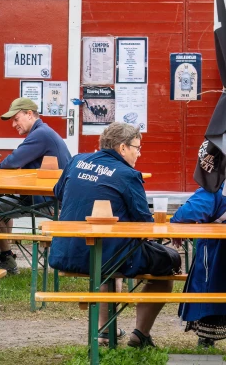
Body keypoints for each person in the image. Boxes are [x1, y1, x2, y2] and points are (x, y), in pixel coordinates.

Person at [49, 122, 180, 347]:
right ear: (122, 148)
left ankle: (105, 331)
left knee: (110, 258)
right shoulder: (127, 174)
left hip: (66, 252)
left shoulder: (76, 161)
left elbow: (58, 192)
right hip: (103, 256)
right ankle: (140, 334)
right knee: (169, 262)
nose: (139, 153)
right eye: (137, 148)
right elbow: (145, 223)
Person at [0, 97, 72, 274]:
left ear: (30, 114)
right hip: (49, 197)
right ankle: (6, 257)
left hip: (50, 202)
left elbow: (12, 162)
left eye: (16, 119)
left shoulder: (40, 134)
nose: (13, 124)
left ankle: (6, 258)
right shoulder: (43, 132)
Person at [171, 182, 226, 347]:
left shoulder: (215, 188)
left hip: (218, 255)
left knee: (209, 282)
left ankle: (207, 336)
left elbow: (187, 213)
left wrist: (177, 224)